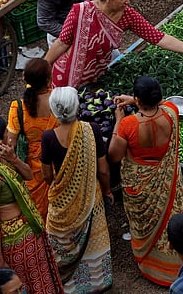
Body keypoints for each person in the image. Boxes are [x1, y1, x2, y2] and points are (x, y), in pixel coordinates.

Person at [44, 0, 183, 89]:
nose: (128, 2)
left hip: (96, 74)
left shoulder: (127, 15)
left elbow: (158, 38)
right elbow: (61, 43)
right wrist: (43, 67)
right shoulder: (81, 12)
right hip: (66, 74)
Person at [109, 76, 183, 286]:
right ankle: (172, 265)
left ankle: (151, 263)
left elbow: (115, 156)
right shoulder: (172, 112)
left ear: (137, 99)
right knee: (167, 219)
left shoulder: (128, 124)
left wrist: (118, 120)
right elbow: (160, 105)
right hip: (163, 179)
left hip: (141, 182)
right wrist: (135, 100)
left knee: (145, 222)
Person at [0, 116, 63, 294]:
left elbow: (29, 175)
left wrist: (13, 158)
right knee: (24, 285)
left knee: (38, 281)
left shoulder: (3, 159)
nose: (10, 135)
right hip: (15, 245)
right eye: (6, 132)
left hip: (28, 236)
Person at [41, 86, 113, 292]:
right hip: (92, 198)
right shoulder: (92, 130)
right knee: (93, 242)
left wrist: (61, 189)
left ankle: (67, 284)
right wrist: (107, 191)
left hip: (61, 203)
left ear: (55, 110)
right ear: (77, 107)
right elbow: (103, 169)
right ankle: (97, 284)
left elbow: (47, 175)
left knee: (59, 243)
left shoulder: (49, 137)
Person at [3, 58, 56, 221]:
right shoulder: (58, 100)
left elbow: (10, 143)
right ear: (49, 80)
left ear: (24, 79)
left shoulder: (18, 107)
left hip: (32, 169)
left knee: (38, 211)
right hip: (58, 160)